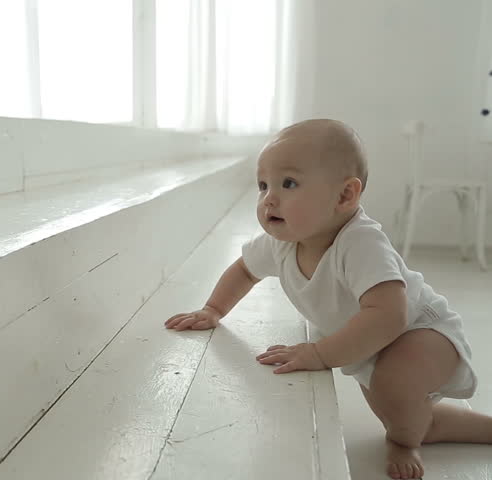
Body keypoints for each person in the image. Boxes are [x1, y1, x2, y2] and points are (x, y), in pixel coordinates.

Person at [164, 119, 492, 480]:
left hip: (421, 330)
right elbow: (245, 270)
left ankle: (404, 442)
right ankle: (454, 429)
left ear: (344, 196)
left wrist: (319, 354)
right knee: (401, 410)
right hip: (371, 343)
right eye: (263, 185)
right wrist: (213, 309)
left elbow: (389, 315)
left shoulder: (361, 243)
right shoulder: (283, 242)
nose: (269, 197)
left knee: (394, 390)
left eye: (288, 183)